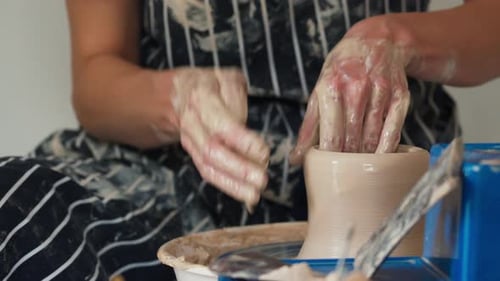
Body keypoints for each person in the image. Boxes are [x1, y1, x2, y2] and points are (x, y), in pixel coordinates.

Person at [1, 0, 499, 280]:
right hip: (181, 177)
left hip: (388, 177)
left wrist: (394, 37)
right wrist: (173, 100)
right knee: (17, 200)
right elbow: (95, 77)